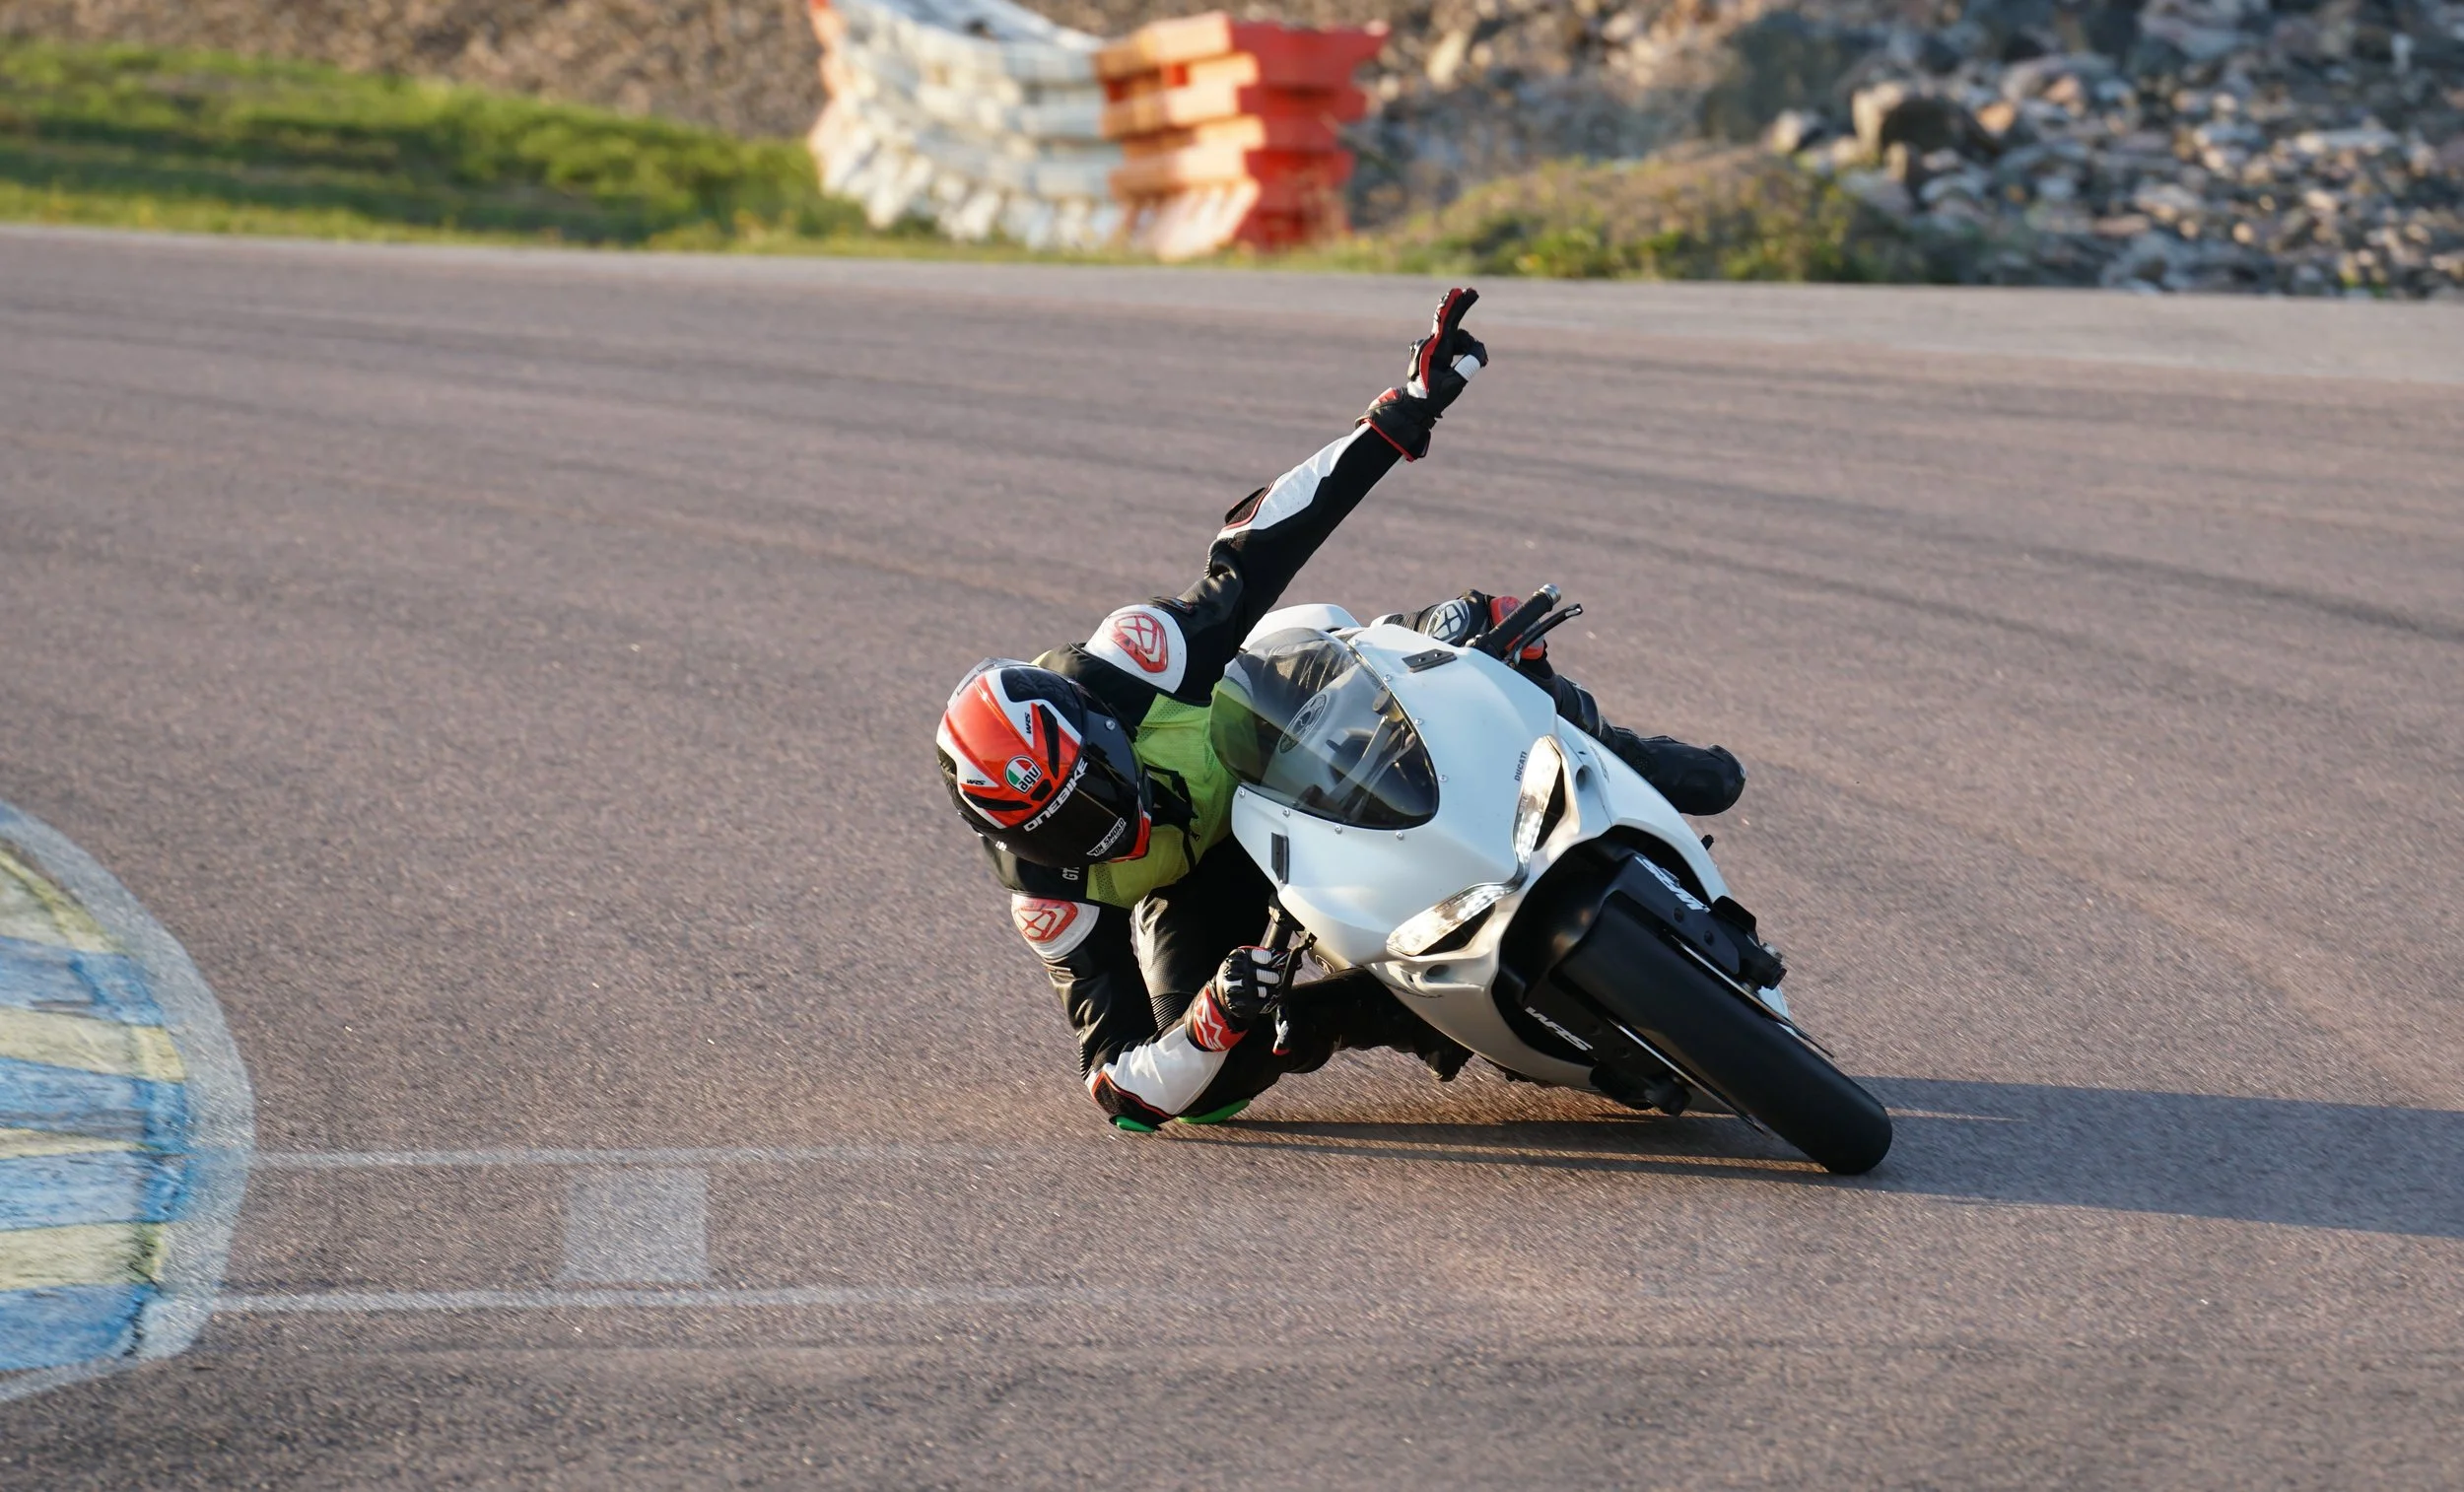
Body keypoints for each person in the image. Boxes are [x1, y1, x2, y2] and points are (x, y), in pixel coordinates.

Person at [933, 288, 1745, 1132]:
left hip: (1285, 733)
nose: (1101, 834)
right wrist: (1214, 1017)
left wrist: (1405, 411)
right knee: (1213, 1093)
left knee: (1479, 629)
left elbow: (1265, 542)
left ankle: (1623, 755)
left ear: (1105, 729)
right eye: (1061, 833)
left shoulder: (1134, 660)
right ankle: (1359, 1013)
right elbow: (1119, 1091)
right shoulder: (1047, 898)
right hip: (1209, 879)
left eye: (1096, 793)